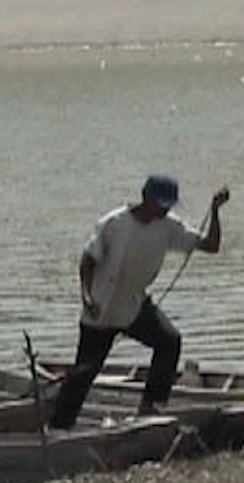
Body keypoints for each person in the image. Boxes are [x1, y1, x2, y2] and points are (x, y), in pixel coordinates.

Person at [48, 175, 229, 428]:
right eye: (161, 204)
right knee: (84, 372)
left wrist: (214, 211)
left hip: (135, 305)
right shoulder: (113, 223)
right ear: (146, 198)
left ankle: (151, 407)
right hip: (102, 308)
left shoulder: (168, 227)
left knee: (169, 341)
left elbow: (210, 245)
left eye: (168, 205)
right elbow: (88, 261)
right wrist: (87, 297)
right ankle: (59, 426)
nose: (165, 210)